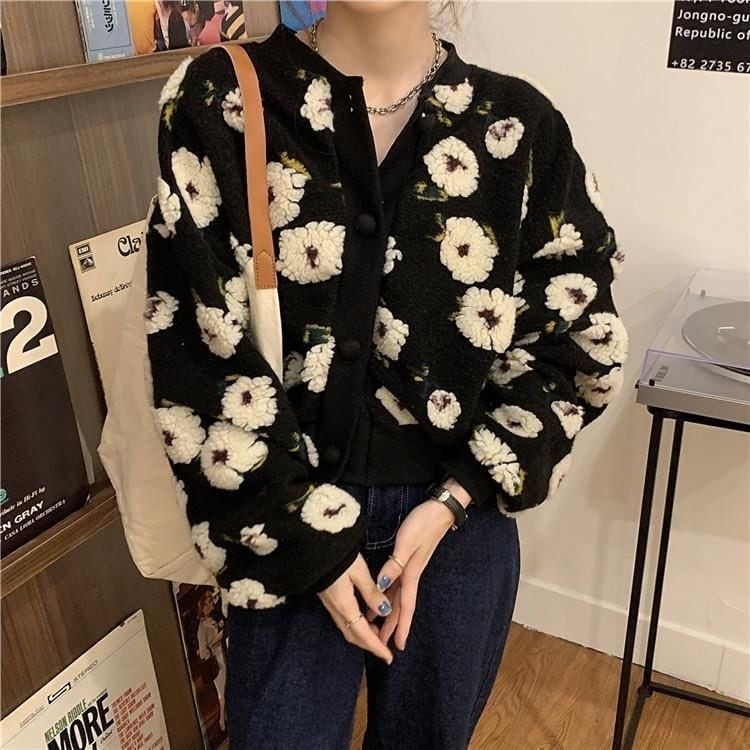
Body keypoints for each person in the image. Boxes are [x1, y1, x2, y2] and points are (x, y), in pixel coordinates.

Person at [144, 2, 628, 747]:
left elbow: (579, 344)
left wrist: (456, 498)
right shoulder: (219, 100)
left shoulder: (521, 129)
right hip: (279, 525)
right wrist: (304, 537)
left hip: (457, 533)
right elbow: (197, 345)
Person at [195, 588, 227, 733]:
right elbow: (203, 652)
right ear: (201, 606)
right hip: (216, 661)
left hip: (222, 656)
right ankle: (221, 719)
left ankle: (224, 717)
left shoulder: (212, 621)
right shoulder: (202, 627)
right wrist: (214, 641)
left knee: (226, 688)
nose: (209, 606)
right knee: (222, 690)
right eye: (206, 604)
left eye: (210, 603)